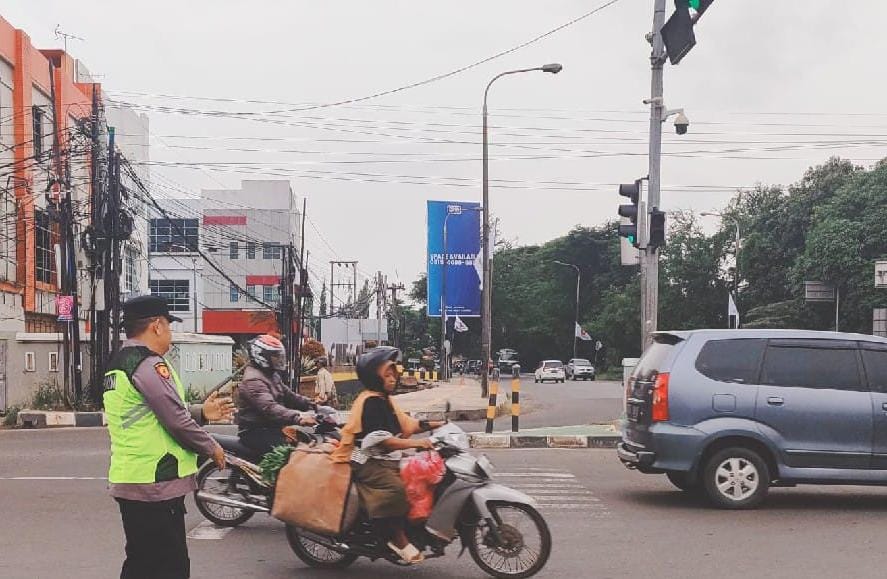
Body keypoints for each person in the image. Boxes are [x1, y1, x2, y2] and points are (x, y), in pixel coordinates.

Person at [105, 295, 235, 579]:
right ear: (156, 326)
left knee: (142, 564)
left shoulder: (120, 362)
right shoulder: (148, 365)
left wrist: (200, 412)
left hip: (134, 478)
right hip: (154, 484)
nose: (170, 334)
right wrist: (211, 447)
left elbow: (154, 413)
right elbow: (175, 420)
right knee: (170, 568)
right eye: (169, 326)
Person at [331, 346, 447, 564]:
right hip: (366, 460)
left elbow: (408, 424)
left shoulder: (384, 399)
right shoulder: (370, 402)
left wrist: (440, 424)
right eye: (387, 374)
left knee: (417, 477)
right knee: (397, 489)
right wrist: (418, 443)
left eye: (394, 373)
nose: (393, 378)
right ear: (374, 378)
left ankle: (415, 528)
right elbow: (382, 440)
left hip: (383, 457)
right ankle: (395, 537)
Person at [237, 334, 317, 456]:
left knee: (308, 439)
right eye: (275, 356)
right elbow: (270, 408)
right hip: (255, 432)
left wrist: (313, 405)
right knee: (294, 453)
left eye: (279, 356)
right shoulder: (253, 381)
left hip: (271, 428)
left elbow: (290, 396)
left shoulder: (271, 375)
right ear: (261, 356)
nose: (279, 360)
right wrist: (298, 418)